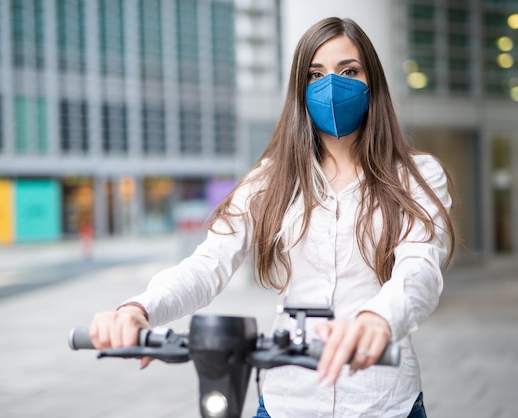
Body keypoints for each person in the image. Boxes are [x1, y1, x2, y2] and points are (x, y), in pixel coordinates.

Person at [89, 17, 455, 418]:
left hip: (384, 402)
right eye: (315, 75)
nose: (331, 86)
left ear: (373, 84)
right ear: (299, 90)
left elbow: (419, 269)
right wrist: (138, 309)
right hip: (287, 401)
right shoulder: (271, 179)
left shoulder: (417, 176)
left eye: (349, 71)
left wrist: (377, 320)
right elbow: (208, 264)